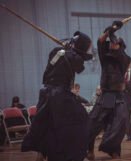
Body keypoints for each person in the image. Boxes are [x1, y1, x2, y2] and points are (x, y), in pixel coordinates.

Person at [21, 31, 93, 161]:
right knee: (81, 119)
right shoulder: (61, 52)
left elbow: (79, 66)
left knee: (50, 124)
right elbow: (56, 62)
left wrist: (69, 51)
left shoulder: (69, 54)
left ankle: (44, 153)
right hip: (58, 94)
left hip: (50, 94)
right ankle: (73, 155)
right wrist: (66, 51)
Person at [87, 21, 131, 160]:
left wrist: (112, 33)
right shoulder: (105, 57)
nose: (112, 45)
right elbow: (100, 41)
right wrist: (109, 30)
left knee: (120, 122)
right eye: (111, 43)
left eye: (115, 43)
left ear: (120, 46)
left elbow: (116, 48)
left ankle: (114, 151)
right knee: (93, 123)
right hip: (107, 95)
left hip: (118, 95)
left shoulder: (124, 58)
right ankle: (89, 150)